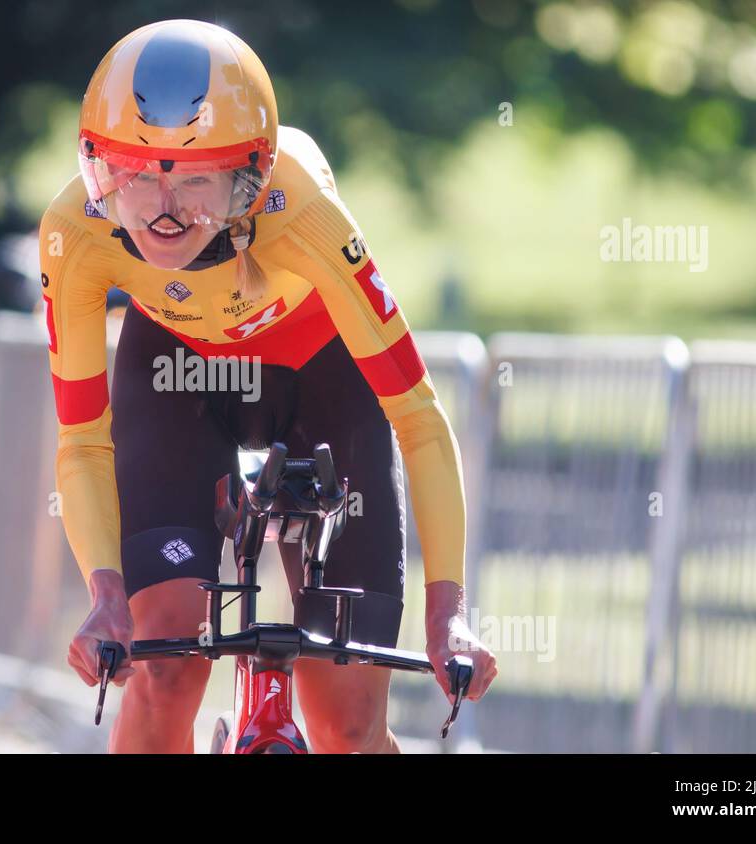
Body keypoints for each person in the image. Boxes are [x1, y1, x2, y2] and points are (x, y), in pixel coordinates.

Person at [40, 19, 497, 754]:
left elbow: (415, 413)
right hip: (177, 375)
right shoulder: (74, 231)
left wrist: (449, 615)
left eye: (195, 178)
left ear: (248, 176)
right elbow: (83, 437)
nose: (161, 209)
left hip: (323, 379)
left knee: (347, 723)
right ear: (98, 168)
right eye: (134, 172)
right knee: (161, 669)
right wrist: (105, 598)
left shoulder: (304, 213)